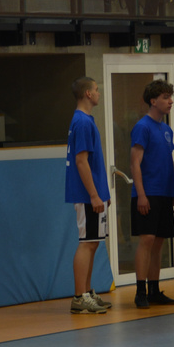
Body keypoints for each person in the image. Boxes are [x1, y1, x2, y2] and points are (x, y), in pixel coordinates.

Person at [128, 79, 174, 308]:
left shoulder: (166, 129)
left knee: (159, 242)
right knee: (147, 239)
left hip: (165, 192)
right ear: (153, 101)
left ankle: (154, 290)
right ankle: (140, 292)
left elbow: (169, 162)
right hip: (148, 192)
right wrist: (141, 194)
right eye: (165, 97)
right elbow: (135, 163)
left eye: (171, 97)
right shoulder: (143, 126)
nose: (170, 101)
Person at [67, 77, 112, 314]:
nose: (98, 93)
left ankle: (86, 291)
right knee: (86, 243)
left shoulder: (86, 120)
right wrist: (94, 195)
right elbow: (81, 161)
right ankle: (79, 297)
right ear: (87, 93)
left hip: (94, 194)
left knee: (93, 243)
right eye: (96, 89)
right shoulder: (82, 122)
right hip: (86, 195)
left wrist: (102, 193)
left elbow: (93, 163)